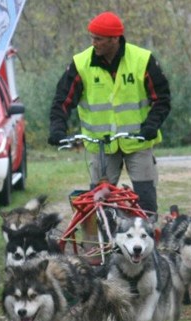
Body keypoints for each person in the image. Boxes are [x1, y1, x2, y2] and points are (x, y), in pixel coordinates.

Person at [49, 11, 171, 218]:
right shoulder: (81, 63)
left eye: (98, 39)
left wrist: (151, 125)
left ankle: (148, 240)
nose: (93, 43)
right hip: (100, 145)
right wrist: (57, 128)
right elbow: (63, 101)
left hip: (138, 142)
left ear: (115, 39)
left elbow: (162, 98)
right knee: (97, 202)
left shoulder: (142, 60)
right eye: (92, 38)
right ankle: (101, 245)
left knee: (146, 200)